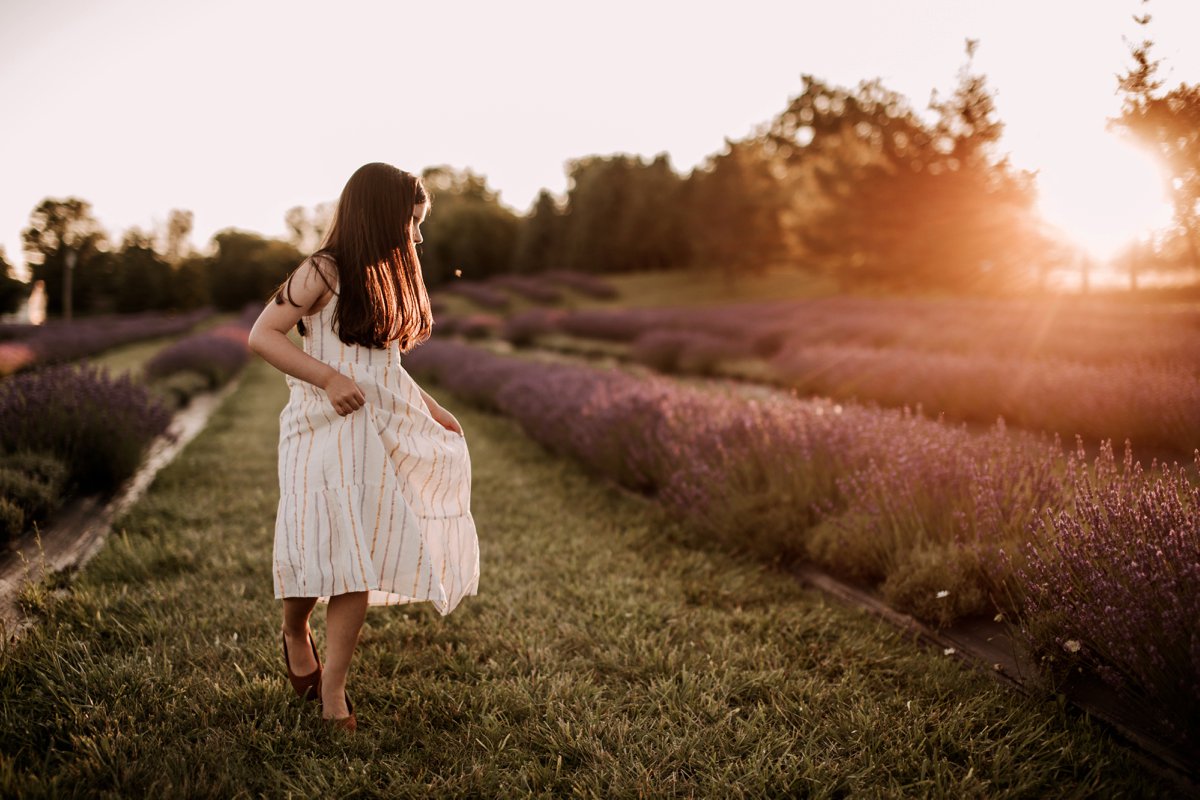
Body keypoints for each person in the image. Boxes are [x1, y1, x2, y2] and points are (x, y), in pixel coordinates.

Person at [248, 162, 480, 732]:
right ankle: (295, 630)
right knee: (314, 551)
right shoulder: (321, 271)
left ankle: (333, 690)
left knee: (357, 556)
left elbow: (386, 369)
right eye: (413, 223)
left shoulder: (383, 281)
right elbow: (263, 335)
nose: (419, 236)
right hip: (316, 429)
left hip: (370, 431)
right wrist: (326, 378)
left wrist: (435, 411)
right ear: (382, 218)